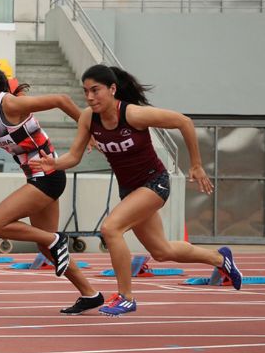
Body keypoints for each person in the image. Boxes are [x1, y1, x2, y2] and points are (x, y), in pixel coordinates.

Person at [31, 64, 242, 316]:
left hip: (154, 183)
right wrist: (55, 163)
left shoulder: (133, 115)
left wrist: (195, 164)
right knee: (162, 251)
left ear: (112, 89)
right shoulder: (88, 118)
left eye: (95, 90)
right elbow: (74, 156)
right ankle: (221, 260)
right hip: (130, 189)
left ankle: (126, 296)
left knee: (111, 228)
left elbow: (183, 122)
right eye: (86, 91)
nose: (89, 97)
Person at [0, 58, 104, 314]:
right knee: (47, 250)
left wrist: (90, 131)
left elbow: (61, 99)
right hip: (36, 178)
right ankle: (90, 293)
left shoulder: (11, 103)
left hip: (49, 175)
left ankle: (56, 239)